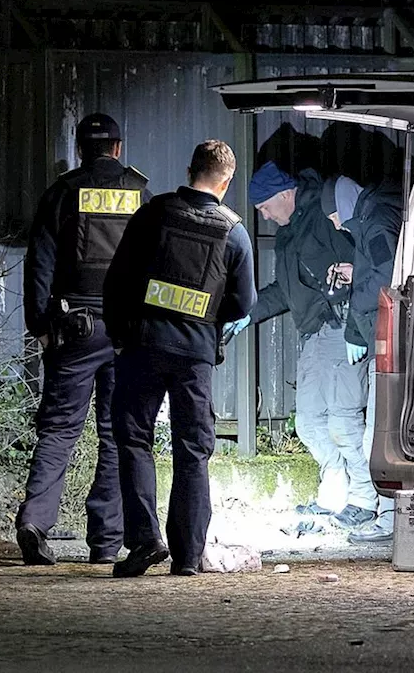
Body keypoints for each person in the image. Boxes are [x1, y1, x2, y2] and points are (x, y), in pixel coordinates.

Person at [103, 139, 256, 578]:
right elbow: (243, 302)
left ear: (190, 170)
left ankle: (145, 541)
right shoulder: (234, 231)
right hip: (195, 354)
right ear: (226, 182)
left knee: (133, 440)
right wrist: (209, 319)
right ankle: (187, 557)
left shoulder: (154, 213)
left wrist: (119, 334)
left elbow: (118, 279)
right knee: (192, 450)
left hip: (142, 345)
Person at [16, 112, 152, 566]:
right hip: (125, 332)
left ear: (80, 150)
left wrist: (40, 326)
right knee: (115, 436)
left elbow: (39, 263)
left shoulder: (62, 192)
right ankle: (106, 543)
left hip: (73, 327)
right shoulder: (140, 194)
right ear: (118, 148)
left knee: (58, 430)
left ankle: (34, 523)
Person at [222, 161, 375, 531]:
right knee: (308, 422)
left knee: (343, 420)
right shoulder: (289, 232)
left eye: (265, 206)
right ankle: (335, 494)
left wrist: (357, 326)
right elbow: (286, 292)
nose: (264, 215)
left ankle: (366, 500)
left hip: (343, 328)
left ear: (285, 194)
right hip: (316, 335)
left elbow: (365, 269)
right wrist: (248, 313)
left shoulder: (326, 217)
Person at [320, 174, 405, 544]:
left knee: (378, 431)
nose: (335, 224)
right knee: (376, 427)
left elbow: (386, 278)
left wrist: (355, 324)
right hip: (384, 337)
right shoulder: (373, 218)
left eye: (334, 216)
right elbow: (379, 267)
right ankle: (385, 515)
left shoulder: (375, 220)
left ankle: (388, 520)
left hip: (387, 339)